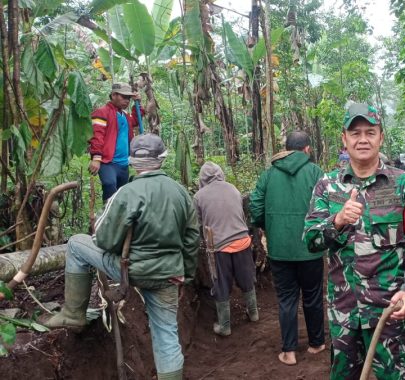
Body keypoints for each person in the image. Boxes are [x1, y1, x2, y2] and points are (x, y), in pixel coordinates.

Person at [44, 134, 199, 380]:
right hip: (170, 273)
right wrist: (186, 276)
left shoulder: (126, 193)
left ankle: (74, 314)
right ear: (162, 159)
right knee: (166, 334)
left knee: (75, 244)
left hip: (131, 270)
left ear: (132, 162)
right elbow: (192, 240)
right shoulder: (181, 193)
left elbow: (105, 239)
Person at [303, 102, 405, 380]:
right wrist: (337, 221)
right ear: (344, 139)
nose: (363, 139)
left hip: (391, 309)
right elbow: (311, 240)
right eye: (355, 132)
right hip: (344, 312)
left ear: (381, 137)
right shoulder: (328, 186)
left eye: (370, 132)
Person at [250, 131, 326, 365]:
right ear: (307, 150)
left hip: (280, 250)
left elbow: (255, 205)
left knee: (286, 299)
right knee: (313, 296)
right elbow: (329, 204)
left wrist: (269, 227)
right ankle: (316, 343)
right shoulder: (316, 173)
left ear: (286, 148)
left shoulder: (268, 174)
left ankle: (289, 352)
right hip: (311, 248)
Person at [194, 161, 258, 337]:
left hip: (219, 247)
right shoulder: (233, 189)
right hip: (243, 241)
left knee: (221, 284)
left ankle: (225, 325)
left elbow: (198, 224)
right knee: (246, 279)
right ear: (221, 174)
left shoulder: (199, 196)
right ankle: (253, 313)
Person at [88, 82, 144, 202]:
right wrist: (96, 159)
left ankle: (119, 217)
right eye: (124, 97)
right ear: (114, 95)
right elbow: (97, 136)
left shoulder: (124, 115)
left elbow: (135, 120)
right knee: (109, 185)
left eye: (128, 98)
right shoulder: (102, 113)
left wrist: (137, 104)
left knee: (121, 193)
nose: (127, 100)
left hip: (123, 163)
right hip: (108, 162)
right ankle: (108, 216)